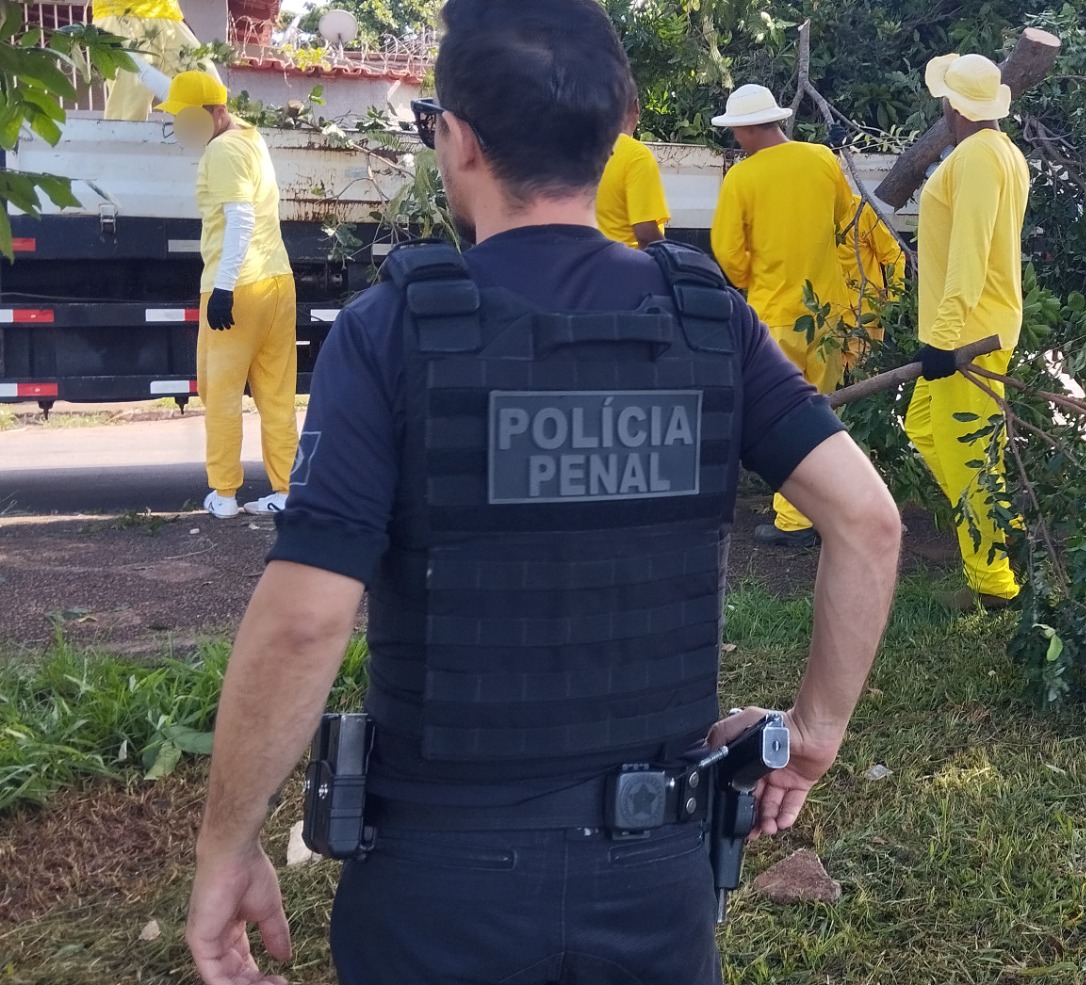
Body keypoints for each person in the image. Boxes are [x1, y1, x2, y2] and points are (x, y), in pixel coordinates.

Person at [183, 3, 902, 984]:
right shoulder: (709, 322)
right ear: (617, 132)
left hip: (440, 885)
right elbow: (866, 520)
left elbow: (308, 620)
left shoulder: (391, 331)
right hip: (657, 876)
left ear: (459, 137)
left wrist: (228, 842)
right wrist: (809, 736)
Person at [906, 53, 1031, 610]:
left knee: (973, 461)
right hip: (963, 330)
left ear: (952, 104)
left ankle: (994, 583)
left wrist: (946, 335)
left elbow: (970, 253)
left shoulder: (979, 156)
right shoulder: (1001, 151)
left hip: (969, 338)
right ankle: (998, 527)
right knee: (926, 430)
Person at [711, 83, 857, 549]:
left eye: (737, 131)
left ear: (750, 129)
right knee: (823, 412)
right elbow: (843, 219)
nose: (736, 139)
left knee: (778, 417)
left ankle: (793, 522)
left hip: (775, 312)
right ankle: (824, 509)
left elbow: (728, 253)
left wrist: (753, 275)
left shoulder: (742, 178)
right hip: (828, 312)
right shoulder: (822, 160)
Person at [156, 71, 298, 519]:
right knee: (276, 395)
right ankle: (287, 489)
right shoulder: (250, 137)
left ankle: (224, 494)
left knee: (221, 395)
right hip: (278, 281)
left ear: (215, 114)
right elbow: (185, 95)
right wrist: (129, 63)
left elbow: (239, 219)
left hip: (236, 288)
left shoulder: (220, 151)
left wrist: (221, 288)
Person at [93, 1, 218, 122]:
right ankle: (120, 142)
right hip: (120, 14)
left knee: (211, 98)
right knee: (130, 109)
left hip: (167, 15)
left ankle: (226, 141)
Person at [595, 77, 671, 249]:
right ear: (636, 107)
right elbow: (645, 233)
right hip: (626, 266)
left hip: (585, 264)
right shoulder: (636, 156)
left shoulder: (581, 150)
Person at [837, 194, 906, 371]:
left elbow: (893, 255)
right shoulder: (812, 212)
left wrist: (894, 303)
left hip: (864, 319)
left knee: (864, 390)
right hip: (826, 320)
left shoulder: (861, 210)